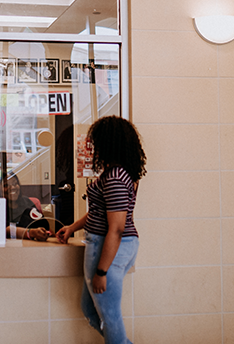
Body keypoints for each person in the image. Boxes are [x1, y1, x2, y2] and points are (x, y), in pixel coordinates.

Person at [56, 115, 146, 343]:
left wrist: (102, 272)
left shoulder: (115, 177)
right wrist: (71, 228)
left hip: (109, 248)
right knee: (89, 308)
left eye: (96, 141)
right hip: (106, 245)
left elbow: (115, 228)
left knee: (110, 316)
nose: (93, 147)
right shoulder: (115, 173)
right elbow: (98, 212)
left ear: (108, 143)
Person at [3, 173, 51, 241]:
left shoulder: (27, 202)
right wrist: (31, 233)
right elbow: (5, 230)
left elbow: (42, 223)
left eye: (15, 184)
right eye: (6, 185)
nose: (12, 187)